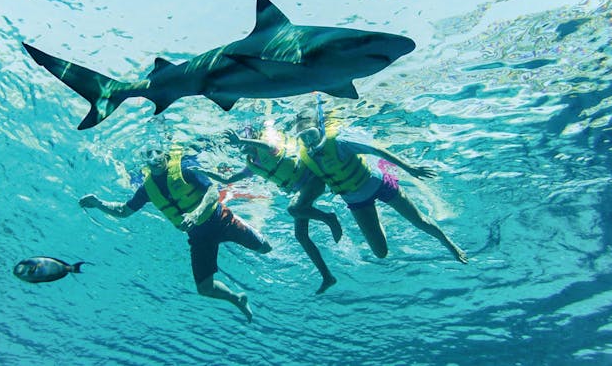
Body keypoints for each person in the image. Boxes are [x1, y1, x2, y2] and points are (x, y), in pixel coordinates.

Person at [79, 144, 272, 323]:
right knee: (205, 288)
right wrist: (99, 204)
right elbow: (124, 211)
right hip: (198, 238)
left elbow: (213, 191)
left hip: (222, 220)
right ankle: (237, 299)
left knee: (266, 248)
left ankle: (254, 222)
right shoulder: (147, 189)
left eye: (157, 152)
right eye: (149, 155)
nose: (154, 157)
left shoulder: (184, 169)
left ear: (165, 154)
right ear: (144, 161)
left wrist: (196, 214)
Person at [294, 109, 468, 264]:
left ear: (320, 130)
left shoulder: (339, 142)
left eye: (312, 134)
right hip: (356, 202)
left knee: (419, 220)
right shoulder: (305, 158)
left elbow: (376, 150)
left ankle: (449, 244)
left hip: (380, 184)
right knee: (380, 253)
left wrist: (410, 169)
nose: (309, 141)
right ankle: (377, 216)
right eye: (303, 137)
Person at [196, 125, 342, 294]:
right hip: (300, 190)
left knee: (293, 209)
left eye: (244, 140)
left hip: (313, 181)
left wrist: (240, 139)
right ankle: (327, 277)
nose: (242, 146)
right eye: (239, 144)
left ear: (251, 138)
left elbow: (266, 145)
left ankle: (329, 218)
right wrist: (205, 172)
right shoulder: (252, 166)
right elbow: (228, 178)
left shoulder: (269, 149)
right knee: (300, 235)